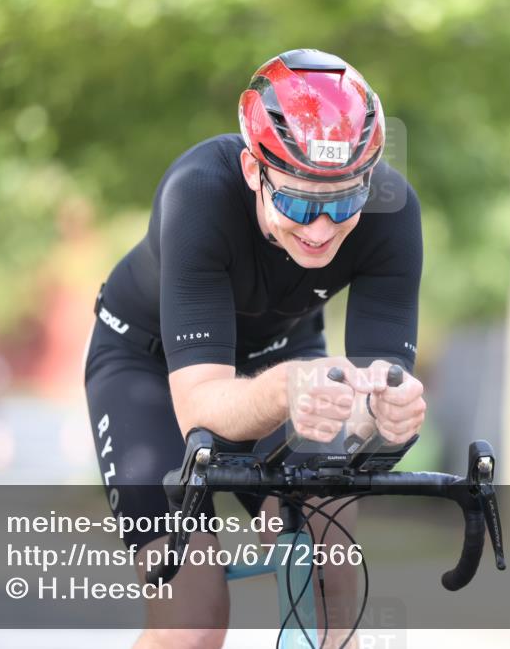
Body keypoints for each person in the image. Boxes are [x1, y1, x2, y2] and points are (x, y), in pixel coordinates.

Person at [84, 48, 427, 649]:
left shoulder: (393, 214)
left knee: (330, 551)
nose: (321, 229)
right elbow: (201, 411)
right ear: (252, 170)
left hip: (284, 355)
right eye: (297, 202)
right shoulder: (199, 191)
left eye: (343, 203)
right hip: (150, 364)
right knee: (195, 616)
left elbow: (381, 381)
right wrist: (288, 388)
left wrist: (385, 417)